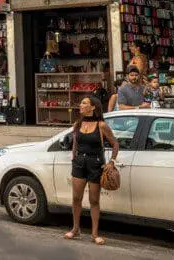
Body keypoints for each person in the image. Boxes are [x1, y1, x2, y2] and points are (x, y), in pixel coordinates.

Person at [65, 96, 119, 246]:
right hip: (79, 163)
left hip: (95, 164)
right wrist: (73, 158)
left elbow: (115, 144)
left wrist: (112, 161)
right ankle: (76, 229)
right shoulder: (77, 124)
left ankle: (94, 233)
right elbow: (75, 143)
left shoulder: (101, 125)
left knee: (94, 200)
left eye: (84, 103)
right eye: (81, 102)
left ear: (93, 107)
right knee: (76, 198)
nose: (81, 105)